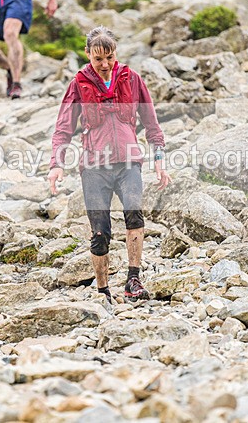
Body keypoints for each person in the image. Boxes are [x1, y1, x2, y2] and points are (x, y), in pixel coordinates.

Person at [48, 27, 171, 303]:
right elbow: (63, 130)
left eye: (110, 57)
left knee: (134, 214)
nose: (104, 65)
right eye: (98, 59)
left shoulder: (132, 79)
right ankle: (103, 291)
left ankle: (133, 280)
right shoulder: (78, 84)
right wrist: (56, 165)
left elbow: (152, 125)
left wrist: (159, 162)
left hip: (129, 162)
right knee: (100, 233)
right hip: (94, 168)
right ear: (87, 54)